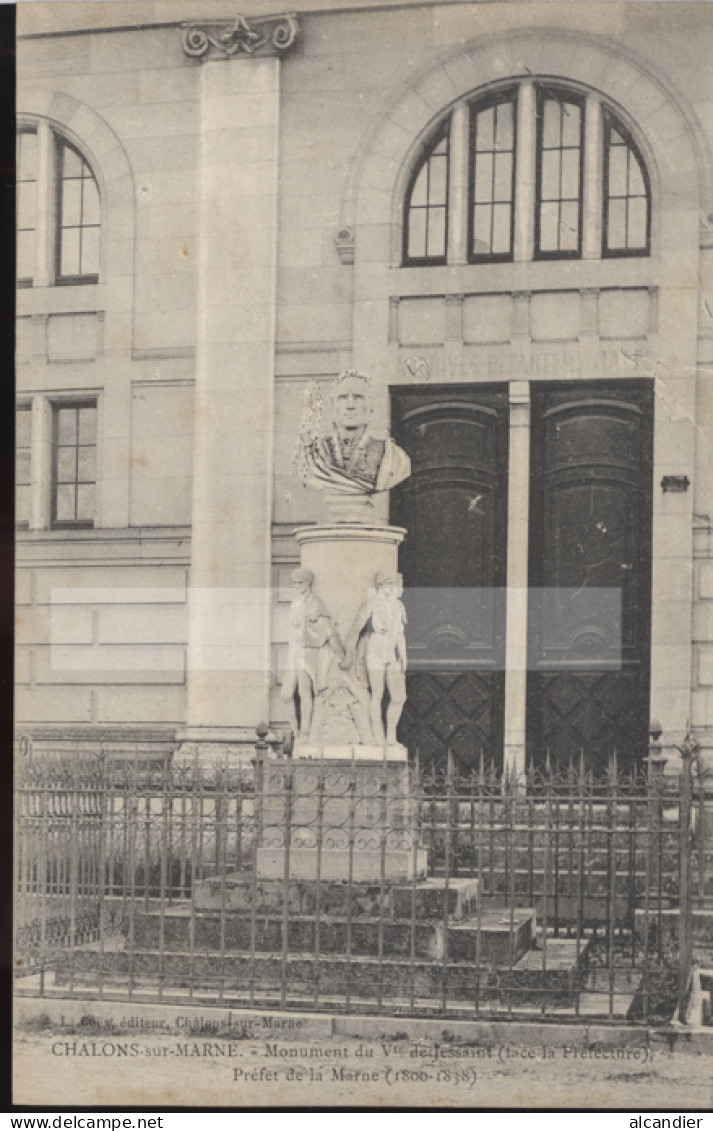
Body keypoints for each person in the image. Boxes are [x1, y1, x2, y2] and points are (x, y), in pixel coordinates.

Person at [303, 370, 410, 500]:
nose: (350, 405)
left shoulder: (392, 455)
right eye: (342, 398)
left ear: (371, 406)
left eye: (358, 397)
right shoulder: (314, 454)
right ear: (333, 405)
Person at [344, 571, 408, 746]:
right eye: (386, 583)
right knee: (377, 694)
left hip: (392, 655)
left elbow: (400, 635)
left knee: (398, 697)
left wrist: (404, 657)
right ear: (379, 585)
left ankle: (390, 736)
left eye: (392, 583)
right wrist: (349, 654)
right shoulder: (371, 604)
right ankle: (377, 736)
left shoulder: (398, 606)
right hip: (375, 653)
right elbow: (356, 629)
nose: (390, 586)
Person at [280, 569, 346, 738]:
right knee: (286, 695)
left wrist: (341, 654)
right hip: (293, 651)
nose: (297, 586)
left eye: (300, 582)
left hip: (305, 651)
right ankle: (294, 729)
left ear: (309, 583)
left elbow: (328, 630)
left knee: (304, 692)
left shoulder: (315, 602)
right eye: (295, 583)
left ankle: (304, 732)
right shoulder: (295, 603)